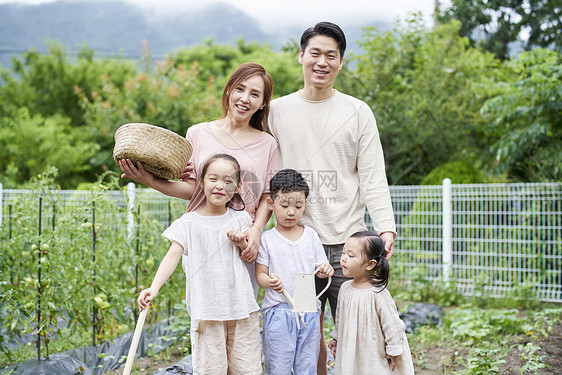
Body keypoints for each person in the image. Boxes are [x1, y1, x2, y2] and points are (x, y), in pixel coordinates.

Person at [267, 21, 397, 373]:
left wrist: (385, 227)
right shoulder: (277, 111)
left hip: (347, 248)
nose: (322, 62)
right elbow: (262, 166)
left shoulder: (357, 111)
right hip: (299, 246)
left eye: (331, 55)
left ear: (340, 62)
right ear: (301, 56)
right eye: (315, 54)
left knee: (357, 330)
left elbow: (373, 176)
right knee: (307, 333)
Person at [119, 61, 278, 268]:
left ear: (263, 103)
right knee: (201, 299)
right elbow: (193, 189)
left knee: (243, 300)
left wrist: (256, 230)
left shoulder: (268, 143)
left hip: (243, 241)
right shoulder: (197, 133)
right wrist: (150, 180)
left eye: (255, 94)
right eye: (240, 89)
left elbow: (268, 194)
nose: (245, 98)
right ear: (229, 89)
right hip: (201, 235)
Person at [137, 154, 262, 374]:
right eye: (213, 179)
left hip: (241, 307)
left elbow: (248, 253)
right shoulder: (188, 223)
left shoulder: (241, 220)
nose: (220, 186)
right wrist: (153, 287)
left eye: (228, 181)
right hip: (207, 310)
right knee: (210, 369)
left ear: (238, 186)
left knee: (246, 368)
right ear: (202, 182)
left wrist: (241, 241)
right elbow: (172, 256)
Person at [255, 168, 334, 374]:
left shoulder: (311, 235)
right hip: (279, 311)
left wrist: (325, 270)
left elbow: (322, 268)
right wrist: (269, 282)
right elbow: (260, 275)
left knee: (307, 364)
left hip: (308, 308)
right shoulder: (267, 239)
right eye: (285, 205)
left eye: (298, 205)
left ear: (305, 205)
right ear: (271, 204)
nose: (292, 212)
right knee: (279, 366)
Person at [328, 231, 414, 375]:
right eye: (343, 253)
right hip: (350, 350)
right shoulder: (344, 288)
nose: (343, 259)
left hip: (374, 351)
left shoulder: (378, 294)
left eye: (351, 255)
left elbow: (392, 324)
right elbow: (340, 318)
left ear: (370, 264)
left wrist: (394, 350)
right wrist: (336, 337)